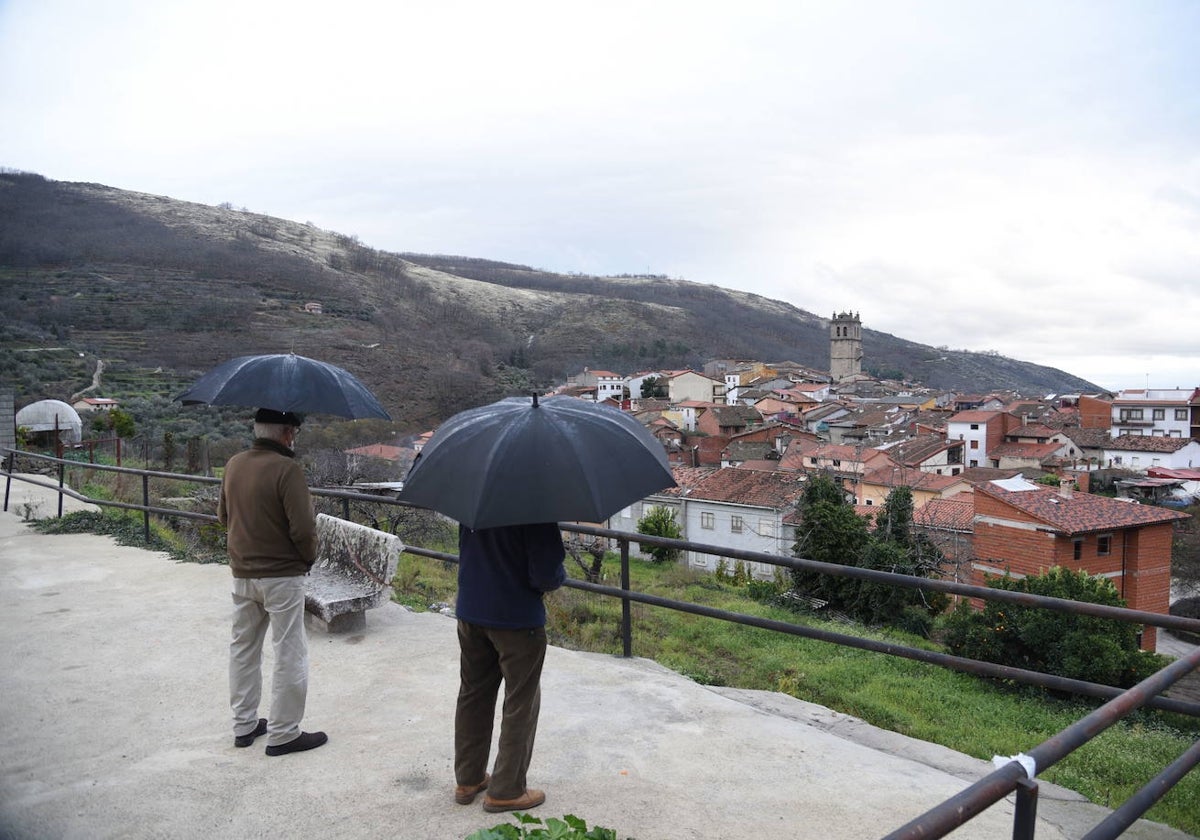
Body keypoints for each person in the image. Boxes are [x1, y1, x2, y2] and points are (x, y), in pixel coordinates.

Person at [218, 408, 327, 757]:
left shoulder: (234, 463)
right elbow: (303, 529)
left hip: (242, 575)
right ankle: (284, 733)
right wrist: (307, 559)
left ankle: (244, 725)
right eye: (293, 431)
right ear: (286, 434)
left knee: (243, 649)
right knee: (289, 651)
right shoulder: (287, 469)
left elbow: (223, 516)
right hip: (282, 577)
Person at [453, 522, 566, 813]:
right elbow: (546, 576)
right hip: (516, 620)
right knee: (520, 703)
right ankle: (507, 790)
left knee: (473, 695)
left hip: (471, 612)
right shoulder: (536, 510)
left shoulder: (475, 500)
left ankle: (468, 779)